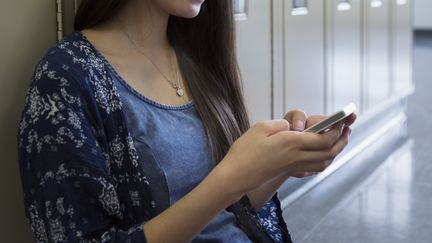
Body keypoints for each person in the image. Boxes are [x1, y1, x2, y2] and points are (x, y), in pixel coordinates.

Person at [17, 0, 356, 242]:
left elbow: (228, 210)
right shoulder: (65, 78)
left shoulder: (197, 57)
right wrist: (229, 178)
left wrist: (280, 161)